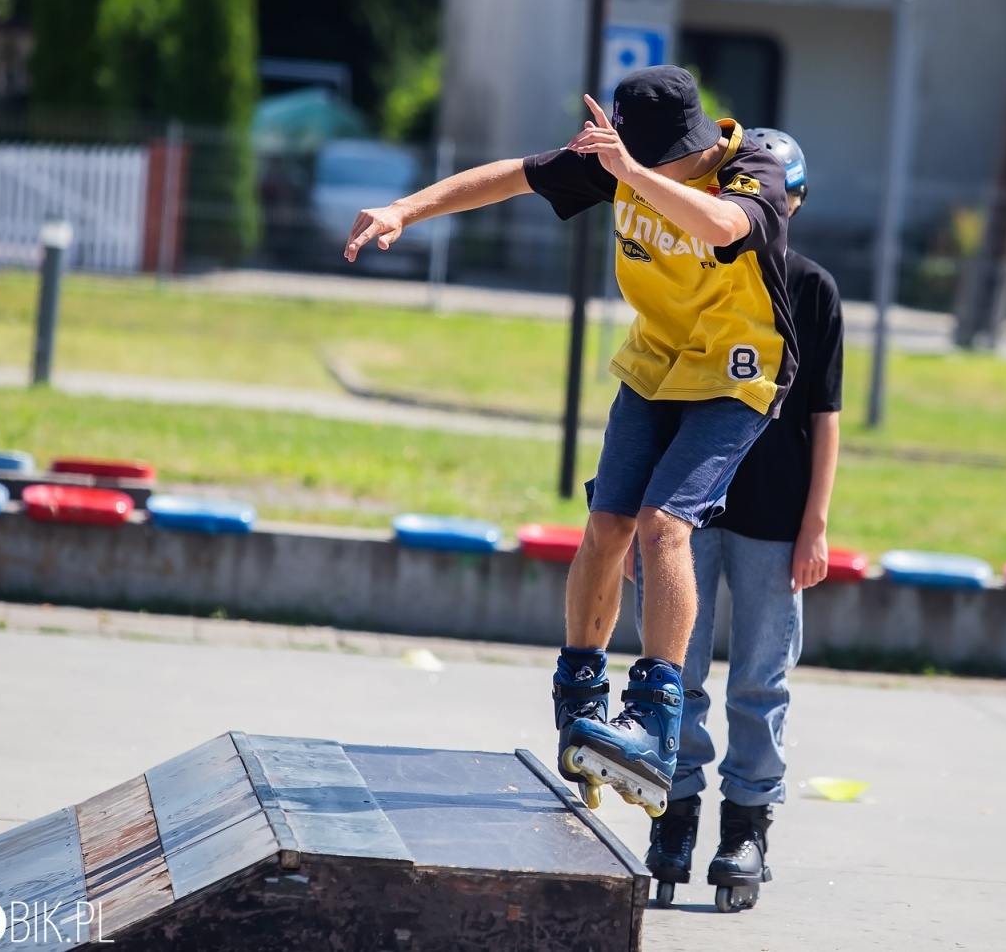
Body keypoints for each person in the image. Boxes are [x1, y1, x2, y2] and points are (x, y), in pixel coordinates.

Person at [344, 66, 794, 816]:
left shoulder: (755, 172)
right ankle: (580, 694)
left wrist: (629, 171)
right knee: (607, 525)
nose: (644, 182)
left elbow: (720, 228)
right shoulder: (612, 161)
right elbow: (509, 177)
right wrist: (404, 209)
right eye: (635, 168)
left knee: (662, 527)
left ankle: (655, 719)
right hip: (655, 364)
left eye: (659, 169)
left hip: (736, 377)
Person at [633, 129, 842, 912]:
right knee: (677, 676)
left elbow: (824, 415)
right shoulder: (694, 274)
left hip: (772, 517)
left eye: (781, 201)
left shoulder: (813, 288)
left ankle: (746, 827)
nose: (767, 212)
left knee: (761, 678)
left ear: (794, 205)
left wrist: (815, 522)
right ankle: (675, 815)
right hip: (687, 513)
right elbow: (656, 393)